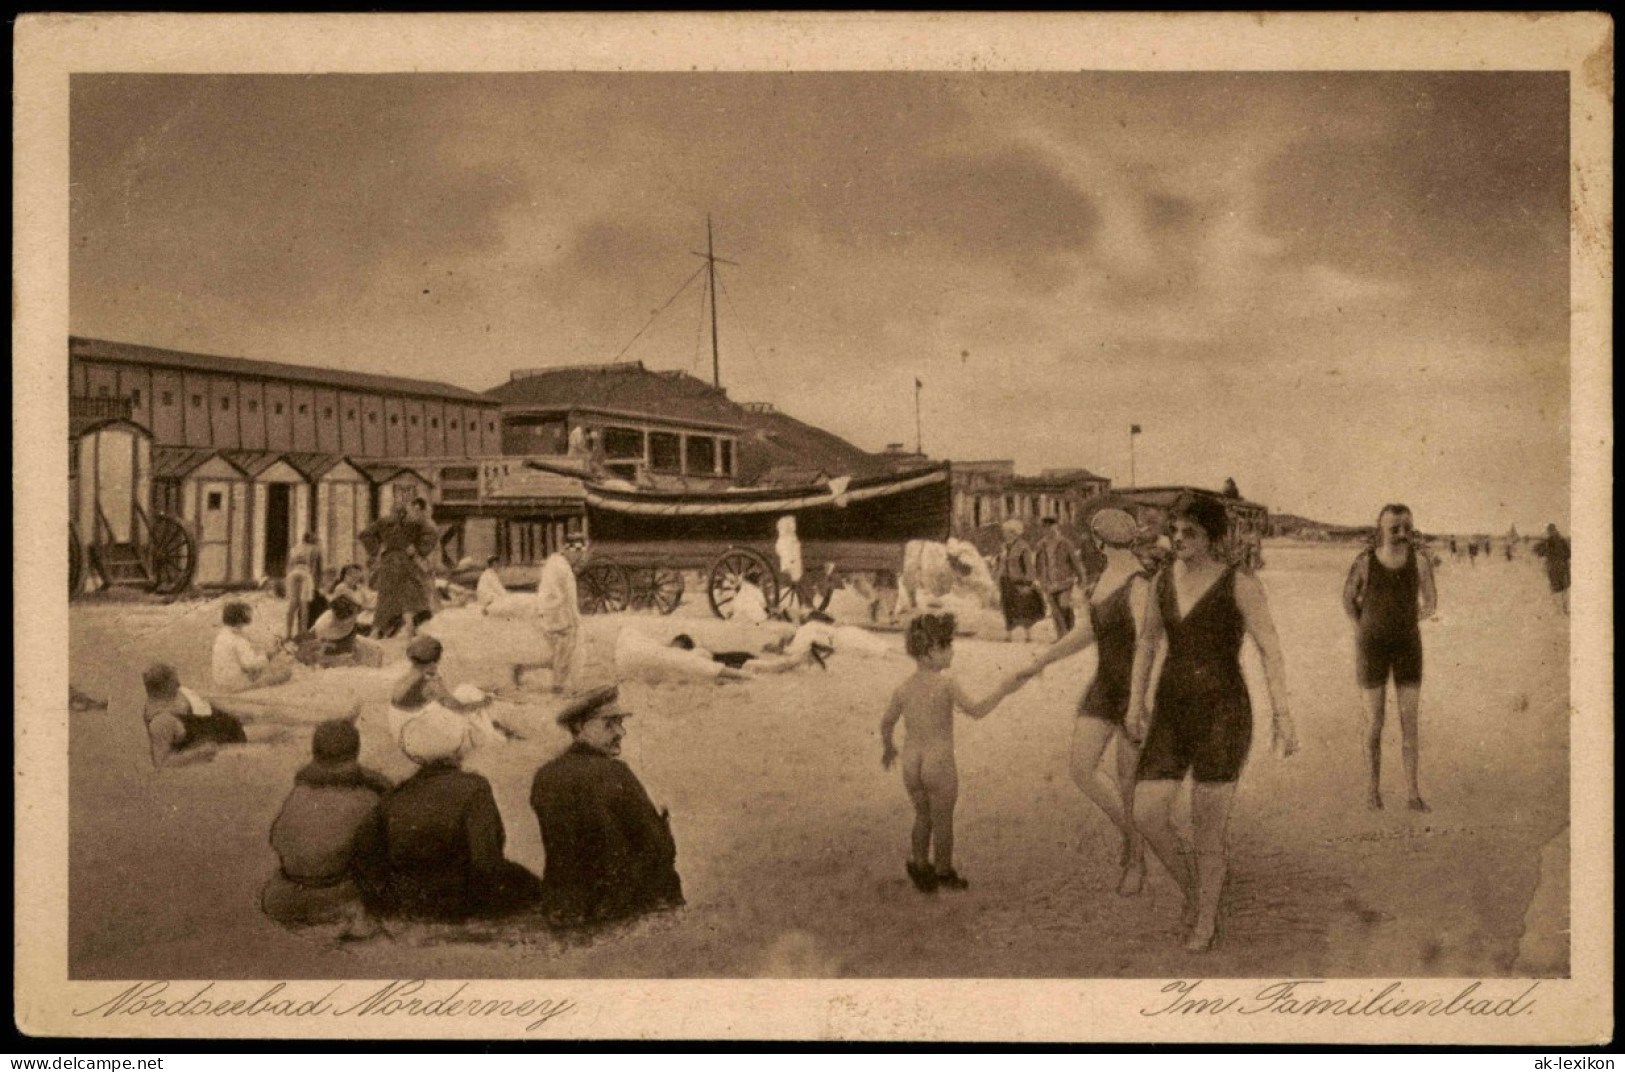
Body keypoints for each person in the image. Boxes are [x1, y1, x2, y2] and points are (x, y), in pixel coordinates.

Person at [1127, 495, 1295, 952]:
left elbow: (1270, 649)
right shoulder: (1162, 582)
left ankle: (1205, 916)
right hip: (1171, 711)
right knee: (1146, 812)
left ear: (1213, 537)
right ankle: (1197, 892)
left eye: (1191, 532)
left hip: (1224, 712)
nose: (1179, 539)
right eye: (1175, 531)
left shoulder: (1239, 584)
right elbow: (1146, 644)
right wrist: (1133, 703)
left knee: (1207, 828)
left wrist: (1282, 715)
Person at [1019, 509, 1161, 895]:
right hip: (1104, 685)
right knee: (1082, 768)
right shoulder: (1103, 581)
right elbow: (1087, 632)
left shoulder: (1140, 585)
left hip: (1135, 691)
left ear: (1098, 543)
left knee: (1129, 782)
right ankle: (1133, 839)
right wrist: (1043, 659)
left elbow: (1152, 647)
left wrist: (1139, 703)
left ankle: (1136, 861)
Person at [879, 613, 1031, 893]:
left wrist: (888, 747)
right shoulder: (946, 684)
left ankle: (920, 865)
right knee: (943, 820)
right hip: (939, 761)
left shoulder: (903, 688)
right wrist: (1003, 690)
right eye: (946, 646)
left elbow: (887, 722)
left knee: (922, 815)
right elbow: (976, 711)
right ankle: (943, 871)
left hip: (912, 762)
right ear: (930, 653)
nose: (952, 651)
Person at [353, 705, 542, 923]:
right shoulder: (474, 788)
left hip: (407, 897)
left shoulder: (397, 795)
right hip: (456, 901)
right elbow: (486, 860)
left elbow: (367, 854)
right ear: (457, 750)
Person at [529, 686, 684, 928]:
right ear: (580, 727)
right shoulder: (614, 773)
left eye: (619, 723)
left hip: (564, 907)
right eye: (609, 724)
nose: (621, 732)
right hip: (617, 907)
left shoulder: (544, 775)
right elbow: (659, 849)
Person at [1343, 504, 1438, 813]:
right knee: (1374, 723)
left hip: (1408, 647)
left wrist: (1408, 622)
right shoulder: (1365, 562)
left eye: (1406, 527)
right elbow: (1347, 599)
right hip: (1371, 649)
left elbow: (1431, 601)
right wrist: (1365, 628)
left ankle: (1412, 793)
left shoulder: (1420, 562)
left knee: (1409, 724)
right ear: (1380, 529)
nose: (1401, 534)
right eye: (1394, 528)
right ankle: (1372, 792)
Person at [261, 719, 391, 937]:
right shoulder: (367, 798)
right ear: (356, 752)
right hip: (336, 899)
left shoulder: (299, 793)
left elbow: (278, 840)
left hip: (280, 900)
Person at [388, 636, 504, 753]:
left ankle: (490, 734)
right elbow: (461, 709)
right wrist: (485, 702)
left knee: (463, 692)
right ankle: (492, 738)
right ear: (434, 661)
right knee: (469, 696)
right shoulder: (430, 682)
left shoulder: (405, 678)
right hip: (419, 746)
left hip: (402, 737)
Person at [513, 535, 587, 692]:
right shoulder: (563, 568)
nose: (578, 557)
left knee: (557, 652)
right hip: (557, 613)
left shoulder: (554, 562)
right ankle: (558, 685)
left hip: (549, 611)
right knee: (566, 648)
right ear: (568, 550)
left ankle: (525, 669)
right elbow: (569, 597)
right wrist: (576, 618)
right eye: (577, 552)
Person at [141, 662, 247, 768]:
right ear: (164, 686)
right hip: (224, 751)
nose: (178, 684)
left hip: (233, 732)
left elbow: (207, 703)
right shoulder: (161, 721)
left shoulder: (174, 698)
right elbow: (162, 764)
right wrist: (198, 753)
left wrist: (234, 713)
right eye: (174, 681)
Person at [357, 502, 437, 640]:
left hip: (391, 561)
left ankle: (380, 632)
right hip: (405, 560)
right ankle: (406, 630)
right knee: (406, 596)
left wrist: (375, 550)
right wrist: (419, 550)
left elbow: (365, 534)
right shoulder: (413, 522)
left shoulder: (384, 521)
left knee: (388, 597)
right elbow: (432, 533)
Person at [211, 601, 295, 693]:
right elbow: (251, 664)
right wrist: (269, 655)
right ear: (240, 620)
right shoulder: (238, 640)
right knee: (284, 673)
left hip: (220, 681)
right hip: (235, 683)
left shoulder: (222, 635)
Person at [993, 519, 1045, 643]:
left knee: (1024, 607)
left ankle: (1028, 634)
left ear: (1014, 533)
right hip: (1005, 581)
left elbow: (1029, 566)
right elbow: (999, 563)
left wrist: (1029, 582)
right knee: (1007, 606)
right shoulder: (1004, 547)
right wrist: (996, 576)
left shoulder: (1023, 546)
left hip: (1019, 581)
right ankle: (1008, 634)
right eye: (1004, 532)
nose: (1005, 534)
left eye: (1007, 532)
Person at [1033, 517, 1087, 636]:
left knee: (1064, 605)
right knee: (1055, 610)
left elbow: (1075, 562)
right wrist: (1039, 578)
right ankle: (1061, 636)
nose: (1049, 530)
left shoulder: (1065, 543)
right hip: (1048, 581)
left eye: (1051, 527)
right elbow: (1037, 564)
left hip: (1065, 581)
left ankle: (1071, 632)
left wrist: (1081, 578)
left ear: (1056, 527)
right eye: (1046, 528)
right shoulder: (1041, 545)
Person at [305, 596, 384, 668]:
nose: (355, 618)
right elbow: (320, 653)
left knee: (378, 650)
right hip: (335, 646)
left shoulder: (339, 617)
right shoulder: (324, 626)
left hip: (346, 642)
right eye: (353, 618)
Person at [284, 532, 323, 640]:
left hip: (293, 574)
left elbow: (289, 565)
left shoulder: (294, 549)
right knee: (304, 604)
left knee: (292, 605)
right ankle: (303, 631)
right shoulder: (314, 548)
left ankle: (288, 633)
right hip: (305, 574)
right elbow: (313, 567)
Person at [1540, 523, 1571, 615]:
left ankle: (1559, 610)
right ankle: (1565, 609)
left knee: (1556, 588)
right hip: (1562, 567)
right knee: (1564, 588)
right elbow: (1569, 554)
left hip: (1555, 568)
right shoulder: (1562, 540)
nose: (1550, 533)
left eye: (1550, 531)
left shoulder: (1549, 542)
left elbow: (1543, 553)